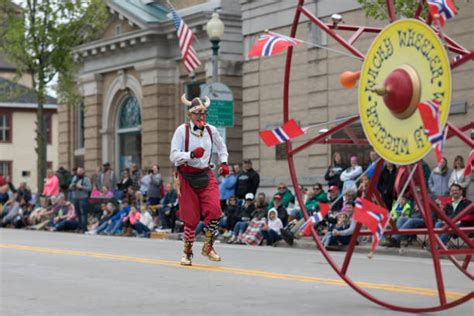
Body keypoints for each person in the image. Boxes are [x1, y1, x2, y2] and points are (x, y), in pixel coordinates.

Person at [170, 94, 229, 266]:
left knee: (215, 210)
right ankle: (187, 251)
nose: (202, 117)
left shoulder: (211, 130)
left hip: (205, 174)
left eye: (204, 114)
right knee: (191, 218)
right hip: (186, 176)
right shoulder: (181, 131)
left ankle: (208, 246)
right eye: (198, 114)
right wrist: (190, 155)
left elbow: (222, 147)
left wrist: (224, 162)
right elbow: (173, 155)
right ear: (190, 115)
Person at [69, 167, 92, 232]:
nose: (79, 172)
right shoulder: (74, 178)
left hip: (83, 198)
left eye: (81, 171)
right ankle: (79, 227)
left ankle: (84, 228)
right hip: (75, 197)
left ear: (83, 171)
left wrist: (81, 187)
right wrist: (72, 185)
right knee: (77, 213)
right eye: (78, 171)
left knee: (83, 213)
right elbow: (70, 186)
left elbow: (89, 188)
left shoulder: (86, 179)